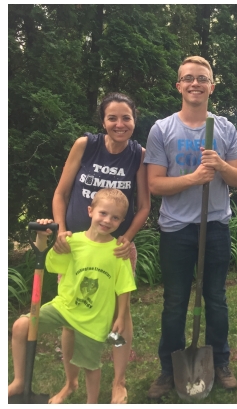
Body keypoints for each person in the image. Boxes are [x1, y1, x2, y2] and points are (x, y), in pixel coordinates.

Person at [144, 55, 237, 399]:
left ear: (211, 87)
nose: (195, 83)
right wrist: (194, 177)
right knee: (175, 301)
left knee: (215, 297)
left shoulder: (225, 128)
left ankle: (221, 361)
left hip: (215, 226)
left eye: (202, 78)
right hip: (176, 229)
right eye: (188, 78)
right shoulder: (162, 129)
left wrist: (220, 166)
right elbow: (155, 184)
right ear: (179, 86)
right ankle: (169, 368)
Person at [51, 92, 150, 404]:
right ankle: (71, 382)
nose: (120, 124)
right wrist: (61, 232)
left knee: (121, 314)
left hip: (116, 251)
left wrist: (127, 238)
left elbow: (145, 206)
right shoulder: (86, 145)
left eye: (126, 118)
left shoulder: (138, 155)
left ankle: (119, 381)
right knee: (70, 313)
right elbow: (61, 194)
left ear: (134, 120)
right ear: (103, 121)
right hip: (76, 250)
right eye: (112, 118)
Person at [8, 189, 137, 404]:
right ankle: (20, 381)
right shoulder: (71, 241)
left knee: (90, 366)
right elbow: (49, 263)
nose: (107, 220)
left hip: (93, 318)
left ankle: (91, 403)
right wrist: (42, 236)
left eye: (115, 217)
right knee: (21, 326)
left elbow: (123, 287)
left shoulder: (118, 251)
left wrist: (121, 316)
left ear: (122, 221)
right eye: (103, 213)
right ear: (90, 211)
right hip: (65, 307)